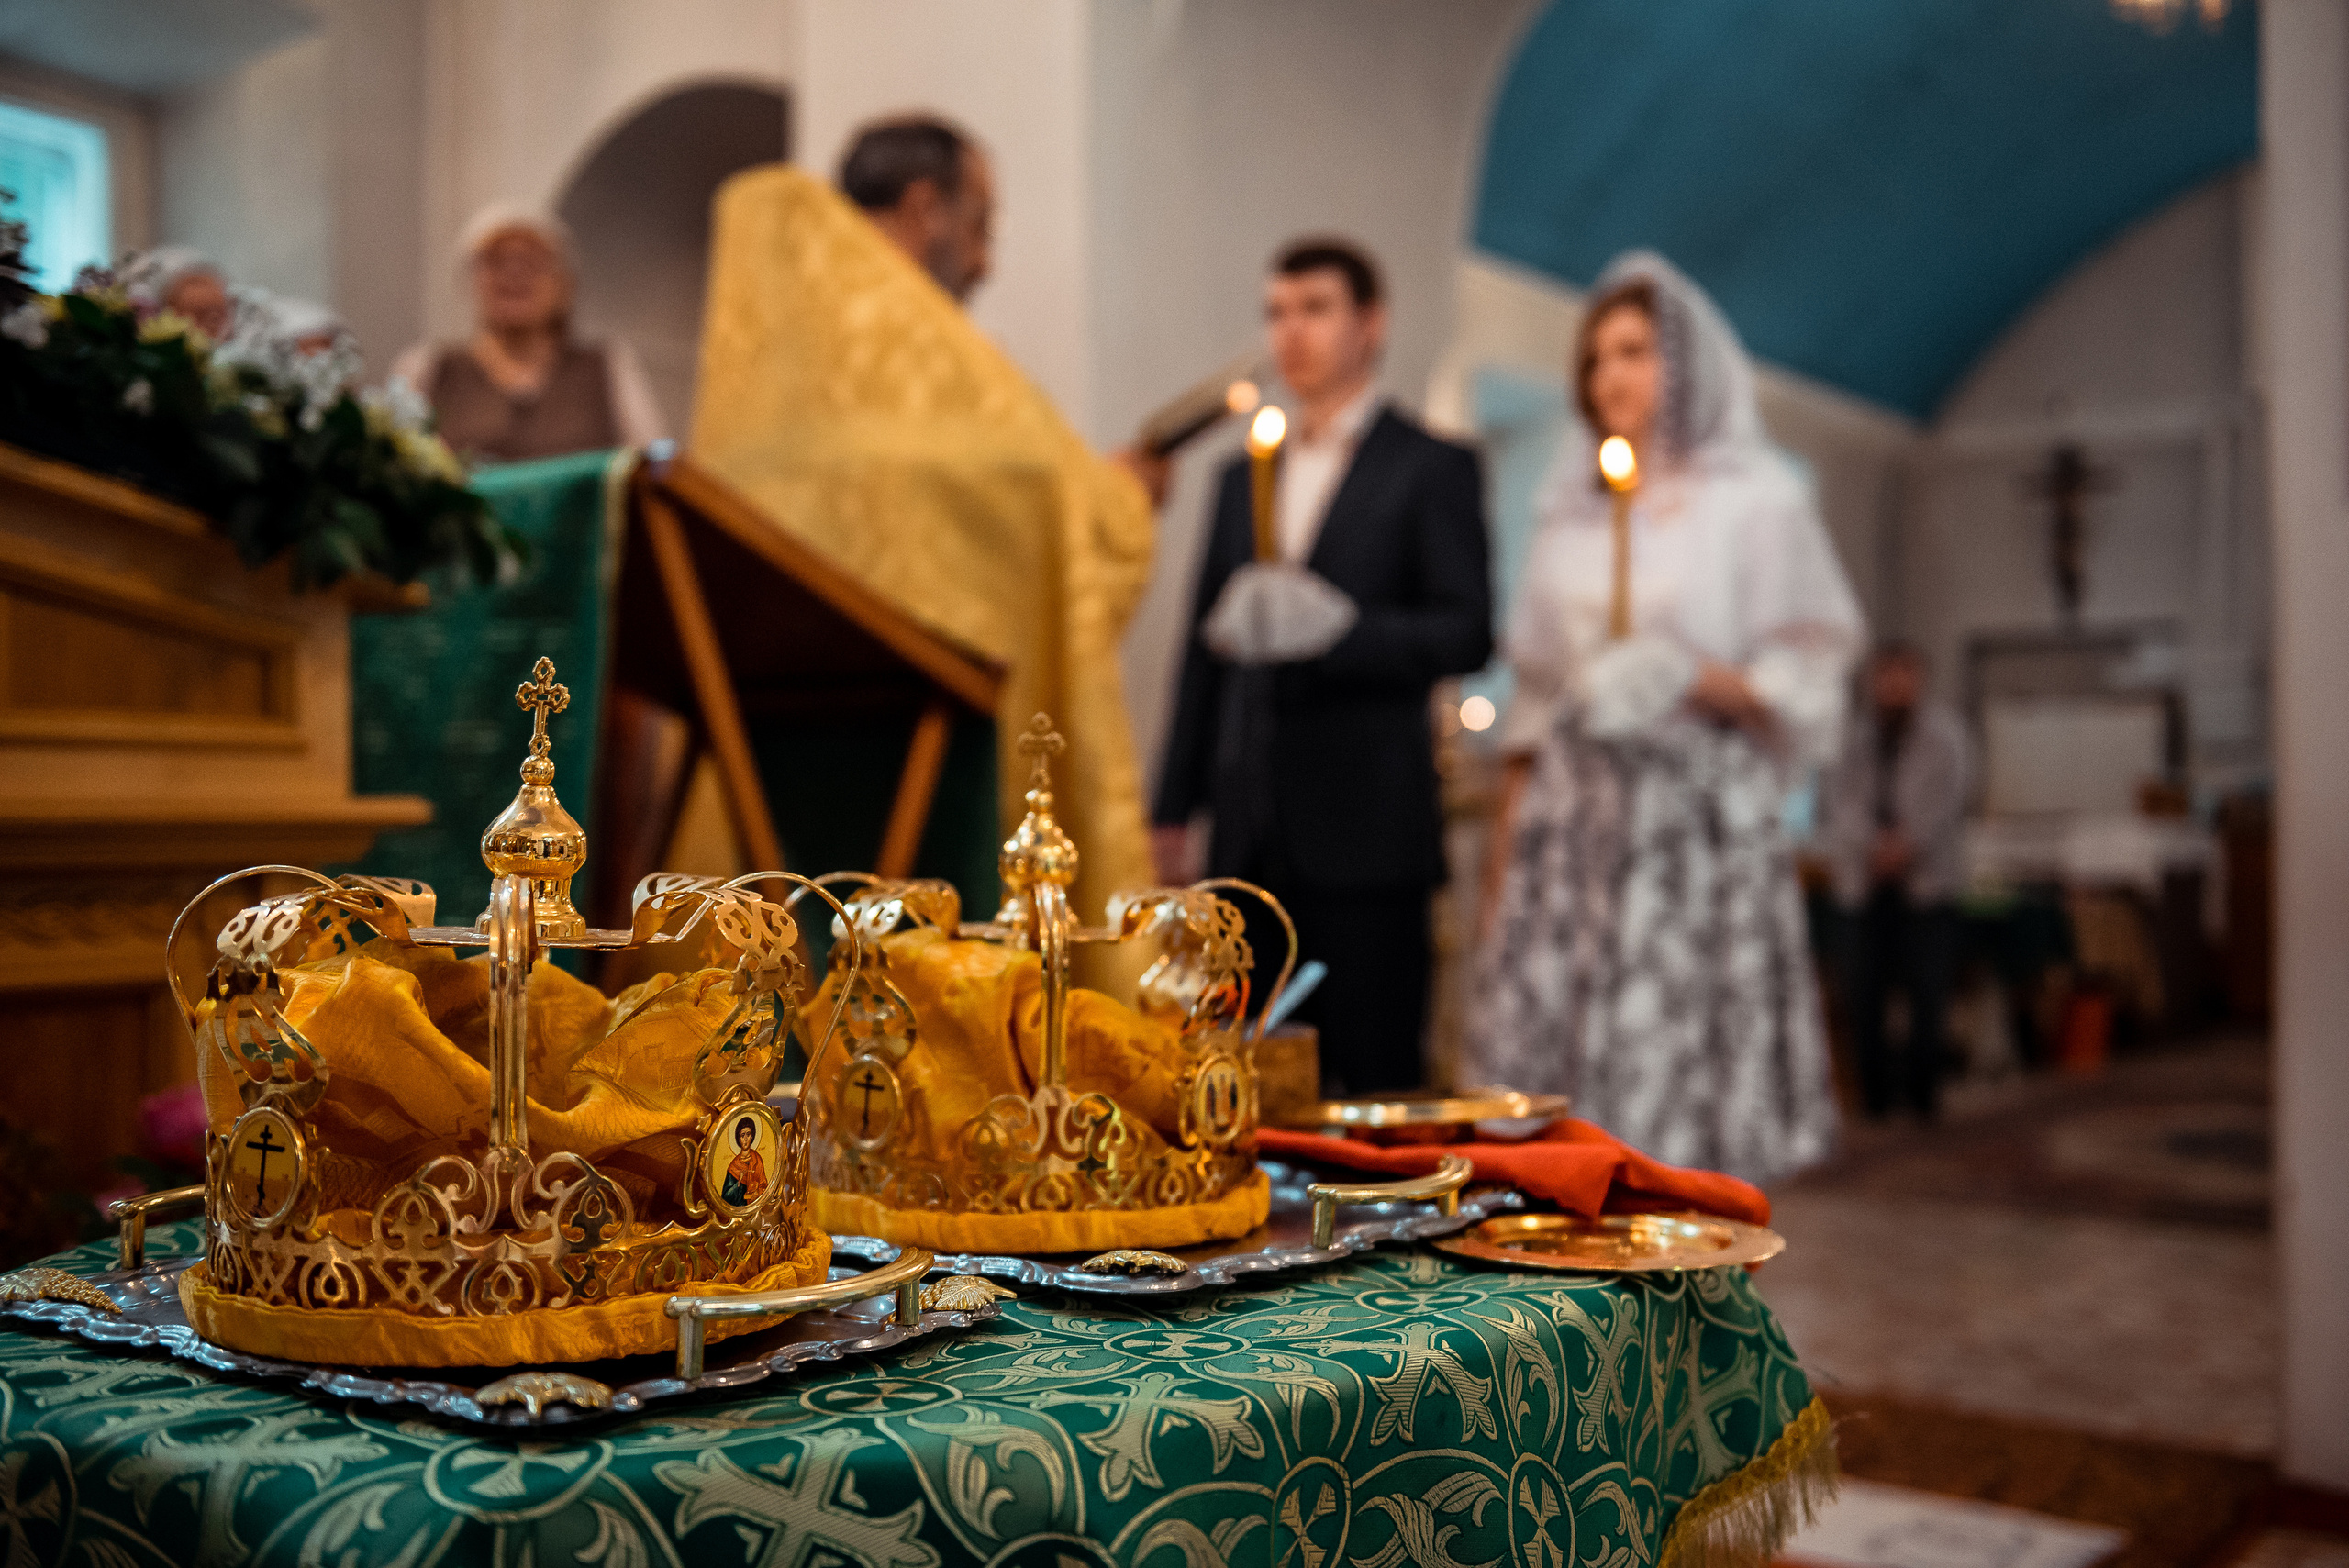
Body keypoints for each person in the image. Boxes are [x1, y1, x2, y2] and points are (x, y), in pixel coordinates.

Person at [1465, 250, 1863, 1183]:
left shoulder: (1754, 504)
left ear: (1685, 364)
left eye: (1635, 351)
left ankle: (1687, 1249)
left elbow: (1805, 668)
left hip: (1692, 827)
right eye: (1596, 357)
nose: (1611, 377)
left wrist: (1690, 671)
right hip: (1572, 826)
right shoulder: (1568, 512)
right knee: (1559, 1078)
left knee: (1672, 1064)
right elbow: (1532, 697)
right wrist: (1502, 858)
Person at [1152, 238, 1492, 1095]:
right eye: (1277, 312)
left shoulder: (1430, 465)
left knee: (1371, 1074)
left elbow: (1468, 632)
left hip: (1370, 826)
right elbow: (1205, 651)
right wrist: (1170, 805)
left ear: (1370, 323)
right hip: (1248, 822)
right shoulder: (1242, 477)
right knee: (1240, 1074)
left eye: (1315, 309)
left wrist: (1342, 632)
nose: (1291, 332)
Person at [835, 115, 1170, 508]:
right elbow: (986, 522)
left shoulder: (788, 334)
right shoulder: (930, 363)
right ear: (925, 211)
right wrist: (1118, 499)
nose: (984, 265)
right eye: (980, 226)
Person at [390, 205, 666, 465]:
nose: (514, 272)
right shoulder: (426, 368)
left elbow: (658, 462)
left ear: (564, 284)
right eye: (496, 261)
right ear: (472, 280)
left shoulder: (608, 365)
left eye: (532, 261)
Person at [1821, 641, 1972, 1120]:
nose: (1895, 687)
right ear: (1873, 683)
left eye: (1905, 676)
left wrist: (1908, 845)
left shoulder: (1946, 738)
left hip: (1926, 885)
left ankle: (1924, 1095)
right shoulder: (1853, 739)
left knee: (1928, 995)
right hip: (1864, 886)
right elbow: (1837, 800)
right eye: (1886, 677)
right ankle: (1875, 1100)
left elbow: (1950, 798)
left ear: (1919, 681)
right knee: (1864, 995)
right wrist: (1873, 846)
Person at [720, 1117, 768, 1207]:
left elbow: (764, 1186)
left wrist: (757, 1192)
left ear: (752, 1136)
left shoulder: (757, 1159)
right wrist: (739, 1181)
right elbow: (725, 1196)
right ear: (739, 1139)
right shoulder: (734, 1165)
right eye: (742, 1135)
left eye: (748, 1134)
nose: (745, 1139)